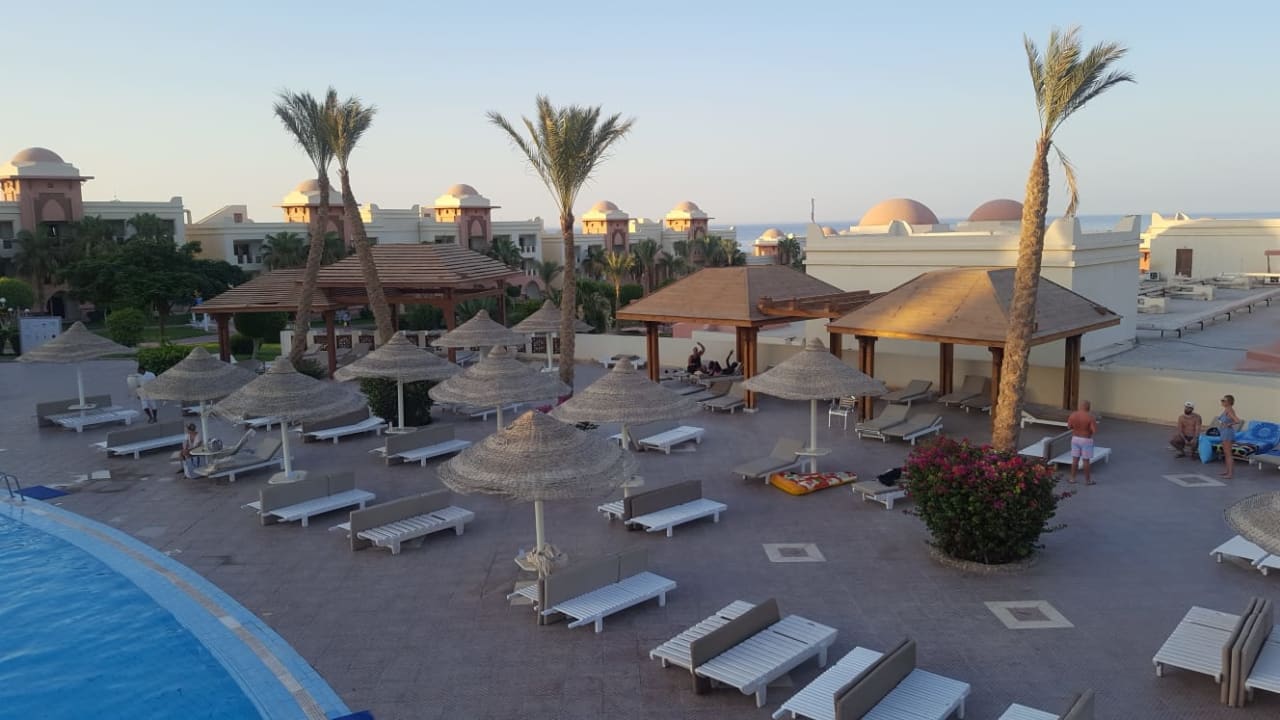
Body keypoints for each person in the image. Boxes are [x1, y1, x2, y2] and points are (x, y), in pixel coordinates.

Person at [1066, 400, 1099, 485]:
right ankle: (1088, 481)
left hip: (1075, 439)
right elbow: (1094, 431)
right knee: (1086, 461)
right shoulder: (1090, 417)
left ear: (1080, 406)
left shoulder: (1073, 415)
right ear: (1089, 408)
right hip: (1086, 440)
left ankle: (1072, 478)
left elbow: (1069, 427)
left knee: (1075, 460)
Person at [1217, 394, 1242, 479]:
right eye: (1222, 400)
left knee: (1228, 454)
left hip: (1227, 433)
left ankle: (1230, 473)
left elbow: (1237, 420)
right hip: (1224, 432)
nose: (1222, 402)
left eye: (1224, 400)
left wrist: (1229, 424)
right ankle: (1227, 471)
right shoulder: (1227, 409)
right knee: (1226, 453)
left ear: (1229, 402)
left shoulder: (1229, 410)